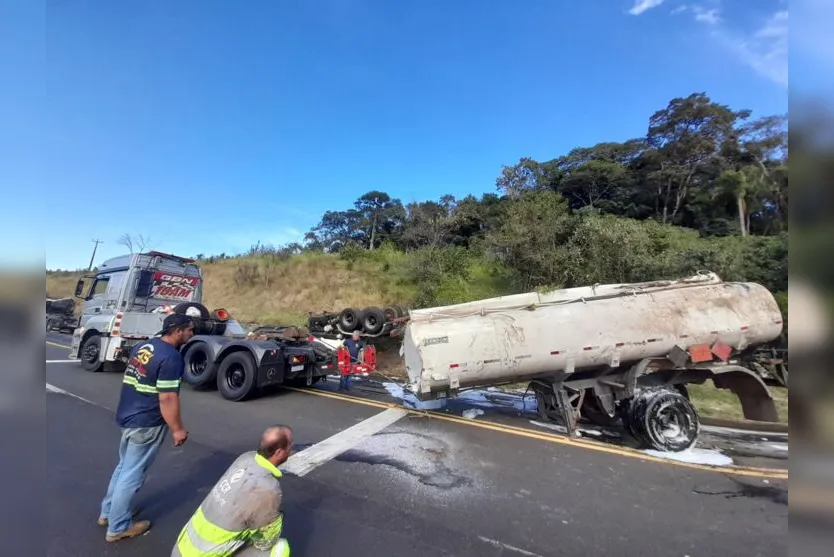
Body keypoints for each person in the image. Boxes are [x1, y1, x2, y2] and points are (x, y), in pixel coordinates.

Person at [98, 313, 194, 542]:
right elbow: (168, 398)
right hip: (146, 422)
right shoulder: (171, 358)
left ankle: (108, 513)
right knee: (133, 473)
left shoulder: (145, 346)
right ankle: (118, 527)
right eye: (190, 329)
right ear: (178, 330)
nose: (192, 333)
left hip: (128, 414)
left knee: (124, 467)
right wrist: (178, 429)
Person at [171, 425, 294, 557]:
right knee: (280, 549)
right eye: (290, 447)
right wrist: (275, 519)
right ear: (279, 452)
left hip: (180, 550)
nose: (291, 450)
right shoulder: (268, 490)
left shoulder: (246, 458)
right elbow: (266, 541)